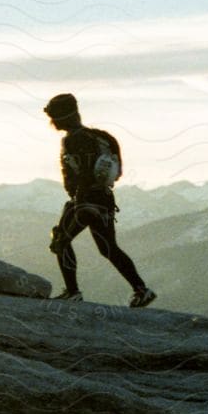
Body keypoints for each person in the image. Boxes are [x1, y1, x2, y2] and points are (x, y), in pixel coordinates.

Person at [43, 93, 157, 308]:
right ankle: (141, 290)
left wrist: (78, 196)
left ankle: (72, 292)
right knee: (108, 248)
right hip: (104, 199)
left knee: (61, 241)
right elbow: (118, 171)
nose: (52, 123)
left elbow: (79, 174)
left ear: (63, 117)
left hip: (84, 201)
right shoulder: (104, 137)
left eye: (54, 118)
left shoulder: (72, 140)